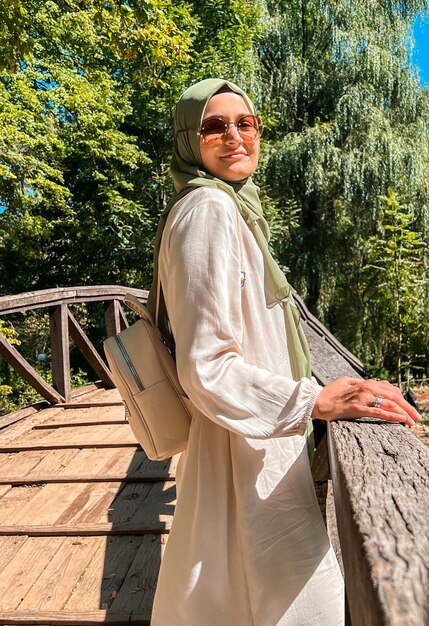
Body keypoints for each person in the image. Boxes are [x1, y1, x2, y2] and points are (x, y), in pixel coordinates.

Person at [149, 78, 421, 626]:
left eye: (245, 124)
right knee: (296, 597)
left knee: (225, 593)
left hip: (249, 439)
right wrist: (316, 399)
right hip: (247, 451)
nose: (235, 137)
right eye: (214, 126)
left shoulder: (229, 209)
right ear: (187, 139)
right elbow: (205, 364)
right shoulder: (207, 209)